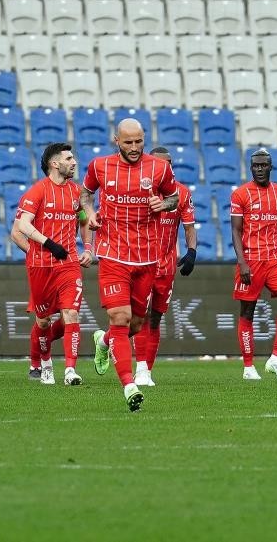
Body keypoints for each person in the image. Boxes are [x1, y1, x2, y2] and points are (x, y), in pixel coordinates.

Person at [79, 119, 179, 412]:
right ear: (117, 141)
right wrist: (90, 213)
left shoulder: (159, 168)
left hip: (147, 257)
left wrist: (164, 204)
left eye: (139, 142)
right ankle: (129, 385)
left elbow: (174, 197)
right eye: (128, 142)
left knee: (135, 323)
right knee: (120, 317)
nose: (134, 147)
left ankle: (104, 342)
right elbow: (85, 194)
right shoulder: (100, 166)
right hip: (112, 254)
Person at [92, 146, 197, 386]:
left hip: (166, 265)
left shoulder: (180, 193)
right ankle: (141, 371)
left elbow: (189, 226)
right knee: (140, 317)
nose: (165, 168)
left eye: (169, 164)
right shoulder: (135, 188)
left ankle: (106, 342)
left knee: (155, 318)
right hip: (140, 261)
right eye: (160, 163)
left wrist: (191, 251)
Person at [13, 143, 93, 385]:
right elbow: (22, 226)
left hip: (68, 263)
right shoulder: (37, 192)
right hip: (41, 266)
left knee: (71, 313)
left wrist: (88, 248)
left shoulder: (76, 192)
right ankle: (45, 364)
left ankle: (70, 371)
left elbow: (84, 220)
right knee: (43, 320)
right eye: (68, 159)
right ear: (54, 163)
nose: (74, 162)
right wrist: (47, 245)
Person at [230, 148, 277, 380]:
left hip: (274, 259)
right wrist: (242, 262)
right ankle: (249, 367)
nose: (259, 169)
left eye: (263, 165)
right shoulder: (240, 194)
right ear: (251, 168)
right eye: (255, 166)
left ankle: (276, 359)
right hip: (251, 260)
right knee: (247, 312)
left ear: (270, 167)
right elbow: (236, 231)